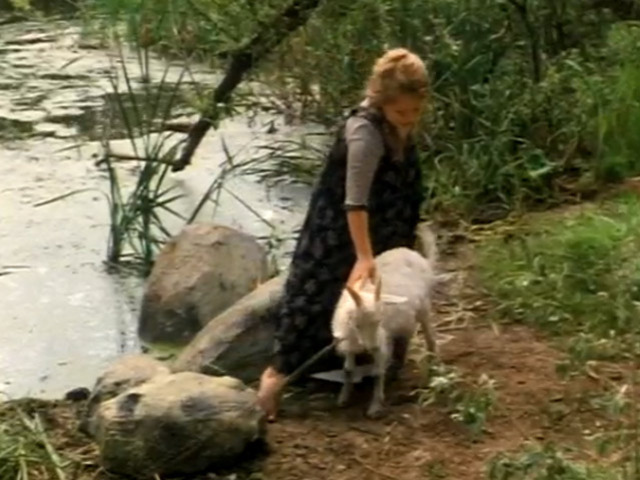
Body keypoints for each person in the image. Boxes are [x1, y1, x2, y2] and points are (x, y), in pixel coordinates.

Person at [257, 47, 429, 421]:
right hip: (340, 236)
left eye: (416, 112)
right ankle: (272, 387)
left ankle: (371, 371)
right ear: (382, 101)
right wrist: (363, 257)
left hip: (385, 231)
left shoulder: (397, 123)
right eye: (402, 113)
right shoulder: (364, 133)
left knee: (377, 306)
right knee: (313, 304)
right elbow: (355, 202)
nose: (410, 119)